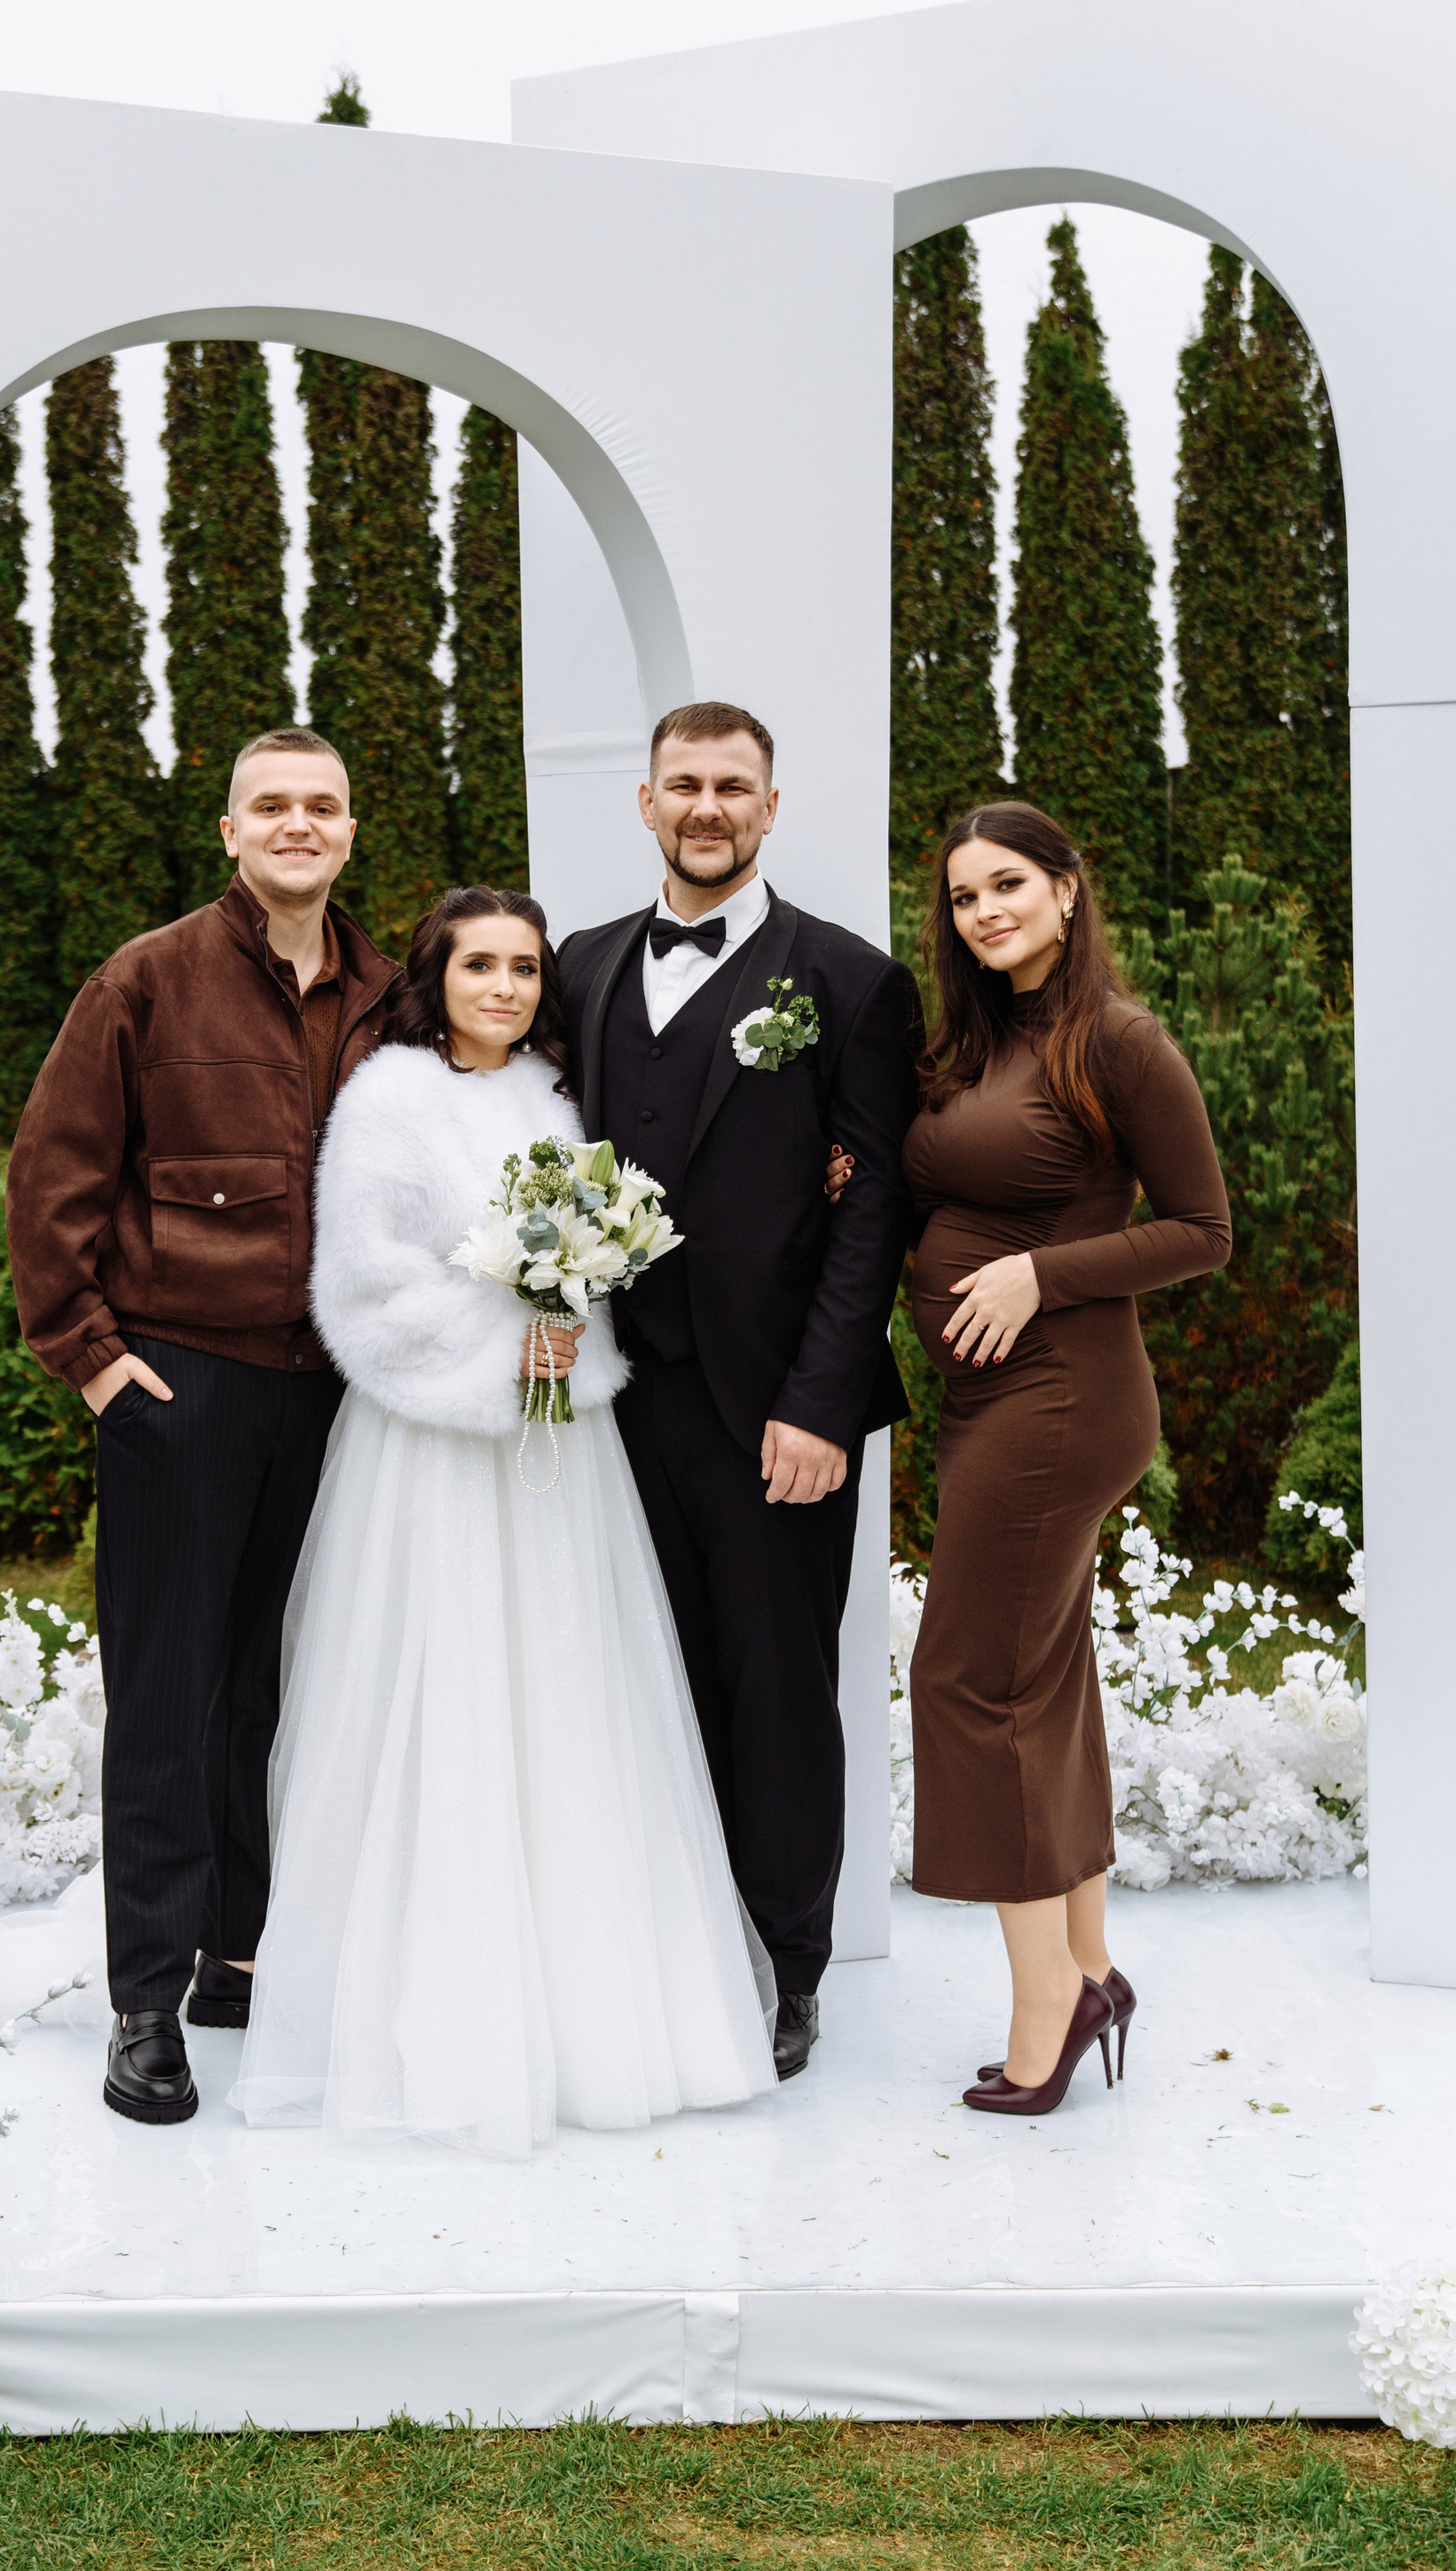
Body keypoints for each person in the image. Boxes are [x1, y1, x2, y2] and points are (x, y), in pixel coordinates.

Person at [230, 887, 776, 2156]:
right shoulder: (388, 1100)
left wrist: (570, 1322)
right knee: (446, 1695)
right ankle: (442, 2013)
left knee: (566, 1695)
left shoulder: (551, 1098)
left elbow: (592, 1258)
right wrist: (504, 1337)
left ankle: (590, 2008)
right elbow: (363, 1286)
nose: (505, 988)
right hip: (432, 1453)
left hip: (556, 1450)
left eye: (525, 968)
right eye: (479, 965)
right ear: (435, 976)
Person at [5, 728, 401, 2126]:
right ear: (229, 830)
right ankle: (145, 2002)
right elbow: (52, 1177)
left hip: (337, 1392)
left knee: (280, 1685)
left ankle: (241, 1956)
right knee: (170, 1695)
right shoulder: (147, 978)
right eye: (270, 805)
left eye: (321, 805)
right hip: (183, 1381)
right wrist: (96, 1364)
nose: (298, 824)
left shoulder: (391, 993)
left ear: (349, 828)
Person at [555, 702, 925, 2080]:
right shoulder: (580, 966)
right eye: (684, 784)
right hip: (613, 1404)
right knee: (637, 1680)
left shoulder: (850, 981)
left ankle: (787, 1963)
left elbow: (871, 1210)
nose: (706, 806)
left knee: (776, 1692)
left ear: (770, 807)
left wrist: (822, 1404)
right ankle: (666, 1948)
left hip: (776, 1411)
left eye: (732, 786)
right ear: (646, 803)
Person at [902, 801, 1231, 2116]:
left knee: (967, 1679)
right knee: (1041, 1680)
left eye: (1009, 885)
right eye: (965, 895)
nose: (986, 911)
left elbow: (1203, 1229)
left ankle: (1049, 2000)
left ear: (1067, 889)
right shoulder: (979, 1041)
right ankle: (1090, 1964)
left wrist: (1042, 1273)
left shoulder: (1119, 1042)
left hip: (1063, 1396)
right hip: (993, 1401)